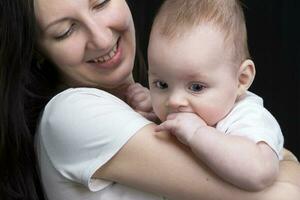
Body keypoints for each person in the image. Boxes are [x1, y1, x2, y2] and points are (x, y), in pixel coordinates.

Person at [0, 0, 300, 200]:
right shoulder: (70, 114)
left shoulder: (157, 106)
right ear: (38, 50)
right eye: (65, 31)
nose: (102, 39)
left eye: (101, 2)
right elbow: (280, 193)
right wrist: (284, 162)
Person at [129, 0, 283, 191]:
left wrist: (198, 134)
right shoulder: (192, 108)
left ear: (241, 80)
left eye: (196, 87)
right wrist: (150, 102)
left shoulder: (248, 117)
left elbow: (261, 171)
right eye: (162, 84)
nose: (174, 101)